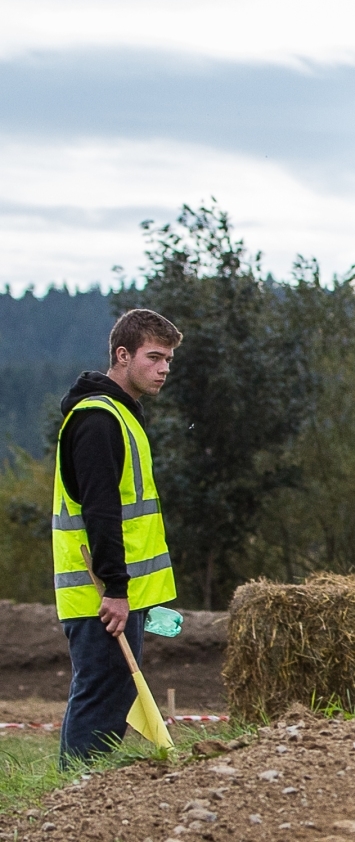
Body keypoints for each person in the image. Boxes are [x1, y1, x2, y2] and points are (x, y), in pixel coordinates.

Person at [53, 308, 182, 765]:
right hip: (99, 594)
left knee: (110, 694)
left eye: (168, 360)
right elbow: (101, 512)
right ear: (122, 355)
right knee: (100, 697)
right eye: (154, 357)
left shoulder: (120, 416)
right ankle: (75, 793)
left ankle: (81, 790)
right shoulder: (99, 420)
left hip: (116, 592)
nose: (164, 369)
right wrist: (116, 588)